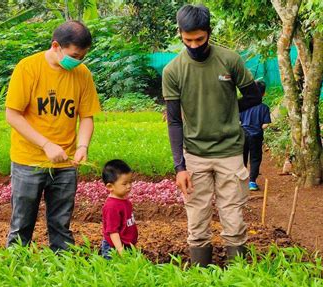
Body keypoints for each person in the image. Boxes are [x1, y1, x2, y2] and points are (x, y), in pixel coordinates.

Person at [162, 4, 262, 266]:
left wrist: (229, 111)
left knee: (234, 217)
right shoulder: (173, 71)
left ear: (209, 32)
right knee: (197, 219)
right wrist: (179, 167)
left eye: (199, 39)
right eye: (188, 40)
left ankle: (237, 275)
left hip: (230, 152)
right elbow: (173, 122)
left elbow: (253, 95)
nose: (194, 46)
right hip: (195, 155)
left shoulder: (229, 60)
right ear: (180, 34)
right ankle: (201, 274)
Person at [4, 20, 101, 251]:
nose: (78, 61)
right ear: (56, 46)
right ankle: (14, 271)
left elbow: (87, 117)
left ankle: (63, 272)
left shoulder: (82, 74)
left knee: (61, 224)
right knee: (22, 224)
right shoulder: (28, 68)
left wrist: (82, 146)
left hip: (66, 162)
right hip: (29, 161)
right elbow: (13, 115)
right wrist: (46, 144)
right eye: (74, 55)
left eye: (82, 56)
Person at [100, 160, 138, 259]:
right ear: (110, 186)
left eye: (130, 182)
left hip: (127, 246)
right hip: (114, 248)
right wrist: (120, 250)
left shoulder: (125, 201)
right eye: (124, 184)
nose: (129, 186)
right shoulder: (112, 206)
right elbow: (113, 232)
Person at [240, 80, 272, 191]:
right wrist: (258, 127)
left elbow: (237, 121)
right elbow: (265, 124)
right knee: (255, 158)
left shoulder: (243, 105)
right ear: (263, 93)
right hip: (256, 136)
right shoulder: (264, 108)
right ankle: (252, 182)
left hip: (242, 135)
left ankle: (241, 181)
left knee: (242, 157)